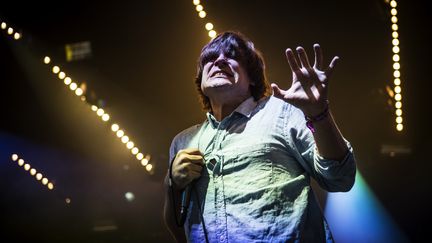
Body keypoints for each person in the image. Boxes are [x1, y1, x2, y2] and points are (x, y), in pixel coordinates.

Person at [163, 31, 356, 243]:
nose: (219, 60)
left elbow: (341, 178)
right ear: (201, 79)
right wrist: (172, 184)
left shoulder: (282, 113)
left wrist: (319, 114)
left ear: (253, 78)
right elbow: (177, 226)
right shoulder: (183, 142)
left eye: (232, 55)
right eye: (210, 58)